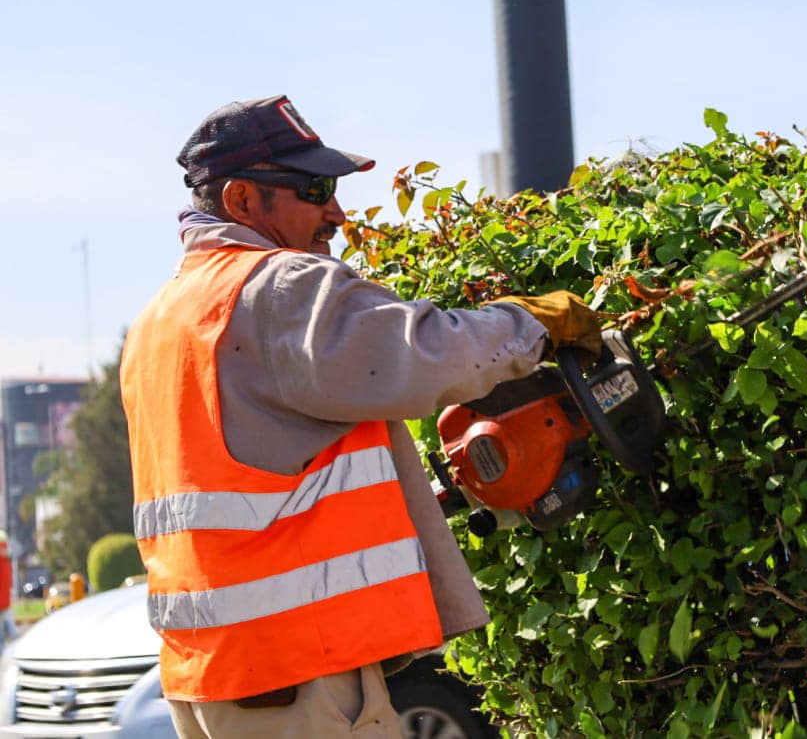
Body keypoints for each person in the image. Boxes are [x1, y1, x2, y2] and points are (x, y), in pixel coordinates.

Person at [119, 94, 599, 739]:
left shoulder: (163, 317)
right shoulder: (275, 287)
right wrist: (532, 321)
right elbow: (424, 357)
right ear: (240, 201)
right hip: (300, 671)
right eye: (314, 189)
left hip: (216, 671)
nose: (336, 213)